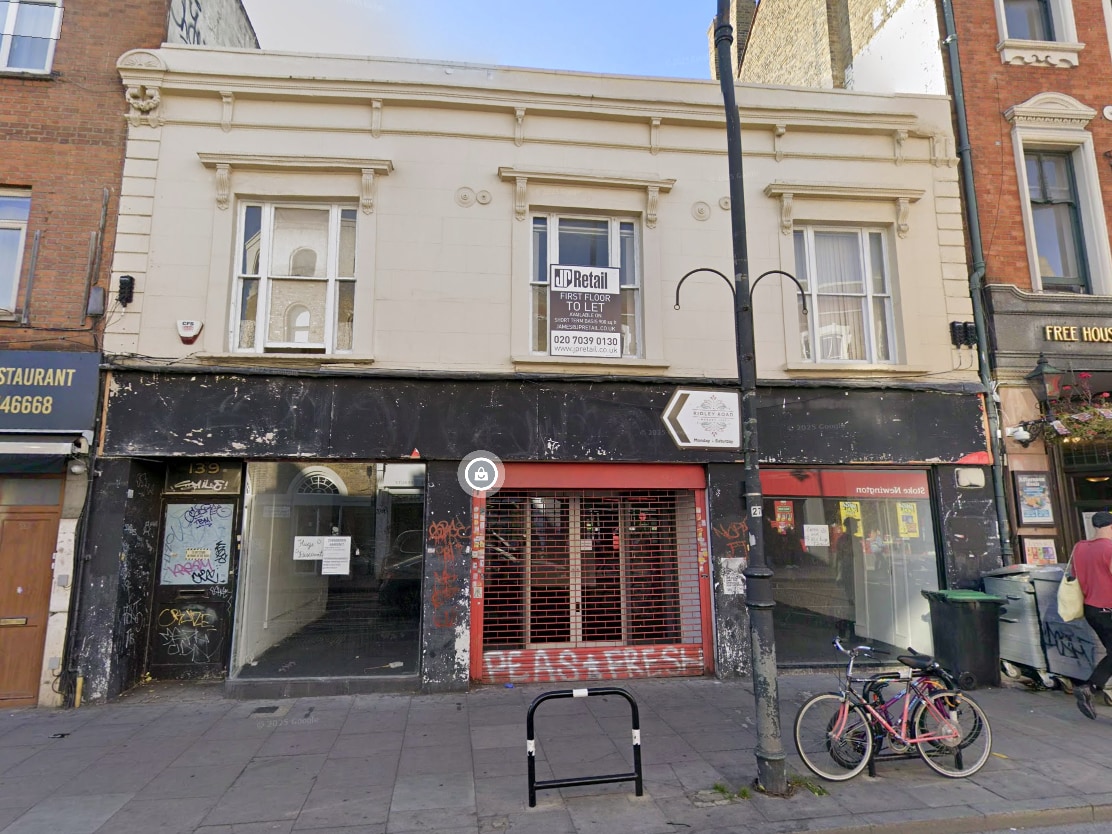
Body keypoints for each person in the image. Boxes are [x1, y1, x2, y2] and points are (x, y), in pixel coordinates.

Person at [1070, 510, 1112, 720]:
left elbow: (1073, 575)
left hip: (1091, 609)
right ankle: (1090, 686)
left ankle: (1091, 687)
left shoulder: (1080, 548)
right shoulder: (1110, 548)